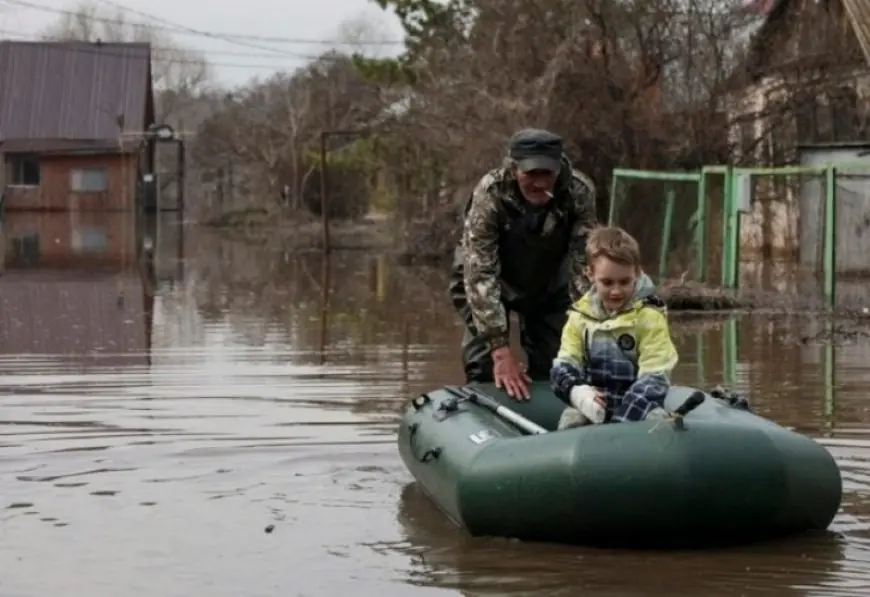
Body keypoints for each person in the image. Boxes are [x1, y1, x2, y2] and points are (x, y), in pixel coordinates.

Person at [448, 128, 598, 400]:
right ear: (513, 168)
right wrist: (500, 349)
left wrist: (584, 325)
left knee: (561, 363)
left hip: (548, 281)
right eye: (531, 174)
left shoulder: (578, 191)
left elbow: (583, 265)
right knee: (483, 365)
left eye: (547, 174)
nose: (540, 184)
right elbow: (480, 271)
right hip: (490, 280)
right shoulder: (490, 192)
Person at [549, 226, 679, 429]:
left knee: (660, 425)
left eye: (624, 282)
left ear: (636, 273)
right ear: (590, 274)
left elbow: (654, 379)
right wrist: (578, 392)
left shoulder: (649, 317)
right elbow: (564, 365)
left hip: (639, 408)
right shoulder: (579, 317)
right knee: (571, 420)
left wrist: (619, 425)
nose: (616, 291)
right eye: (607, 282)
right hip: (594, 404)